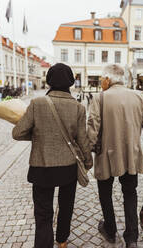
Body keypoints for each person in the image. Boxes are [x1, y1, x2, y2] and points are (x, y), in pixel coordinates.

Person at [12, 63, 93, 248]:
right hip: (68, 167)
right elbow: (83, 140)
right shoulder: (78, 108)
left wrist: (37, 134)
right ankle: (62, 240)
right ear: (71, 82)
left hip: (41, 166)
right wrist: (88, 162)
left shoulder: (36, 104)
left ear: (48, 81)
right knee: (66, 207)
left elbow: (17, 133)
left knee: (43, 212)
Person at [87, 64, 143, 248]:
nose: (102, 82)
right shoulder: (139, 96)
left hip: (105, 156)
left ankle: (110, 229)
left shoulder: (99, 98)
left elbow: (92, 129)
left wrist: (86, 154)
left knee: (105, 193)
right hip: (130, 156)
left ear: (108, 79)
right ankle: (131, 238)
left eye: (102, 79)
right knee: (130, 194)